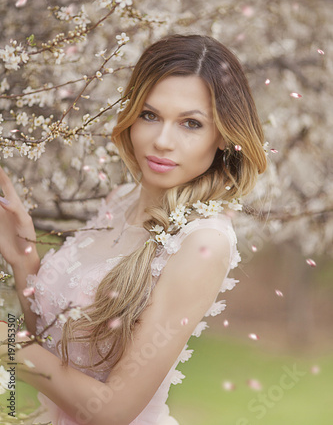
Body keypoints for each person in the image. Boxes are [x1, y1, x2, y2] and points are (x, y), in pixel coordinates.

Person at [0, 34, 267, 425]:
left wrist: (7, 343)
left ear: (223, 135)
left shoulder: (202, 243)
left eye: (190, 124)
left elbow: (111, 411)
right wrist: (23, 257)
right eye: (149, 114)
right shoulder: (121, 199)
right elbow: (58, 349)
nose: (161, 141)